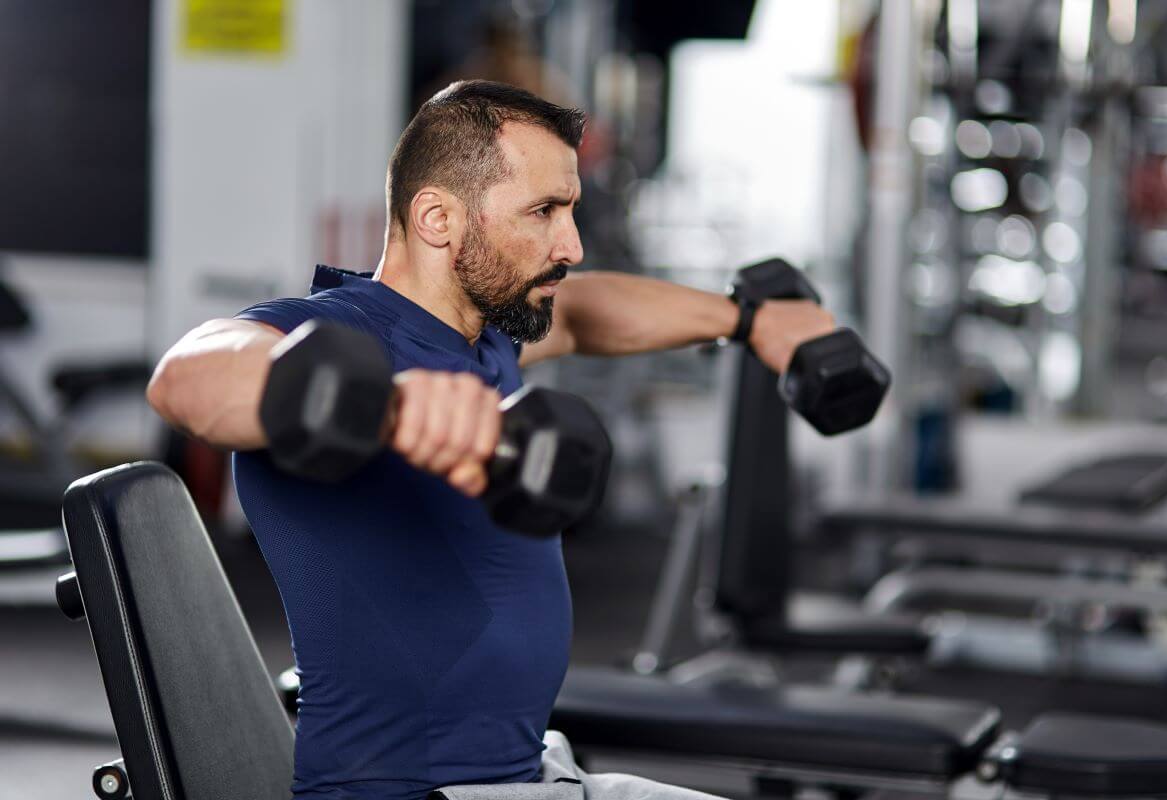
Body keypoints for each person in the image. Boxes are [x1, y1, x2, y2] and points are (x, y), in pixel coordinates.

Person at [147, 80, 834, 800]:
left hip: (535, 771)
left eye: (569, 211)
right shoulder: (340, 334)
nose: (569, 243)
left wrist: (747, 321)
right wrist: (386, 405)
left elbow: (586, 312)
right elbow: (185, 380)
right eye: (543, 212)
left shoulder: (486, 339)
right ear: (439, 218)